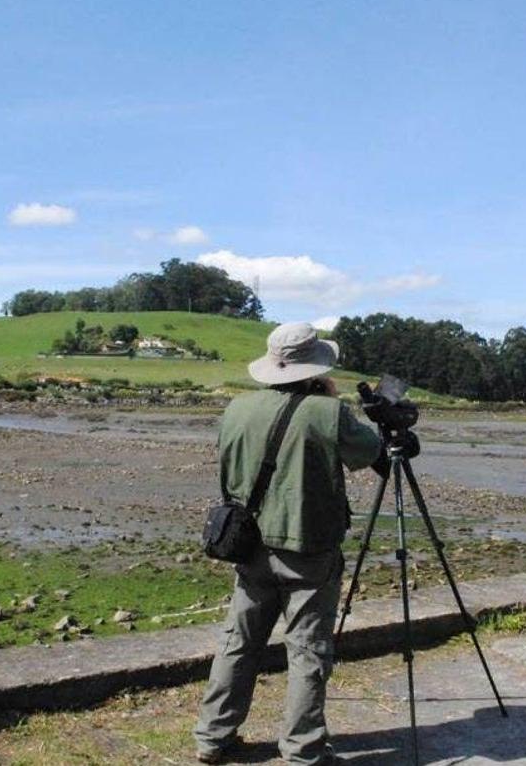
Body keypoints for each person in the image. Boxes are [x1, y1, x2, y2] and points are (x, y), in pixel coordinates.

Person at [193, 322, 381, 765]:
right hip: (308, 549)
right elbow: (369, 452)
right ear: (316, 368)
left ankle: (212, 737)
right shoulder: (326, 412)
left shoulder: (237, 408)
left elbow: (227, 472)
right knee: (308, 651)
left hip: (247, 544)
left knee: (238, 642)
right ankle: (303, 750)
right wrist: (331, 402)